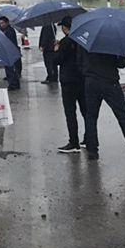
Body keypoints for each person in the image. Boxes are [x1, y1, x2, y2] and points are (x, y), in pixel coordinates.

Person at [79, 47, 125, 162]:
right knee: (123, 117)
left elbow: (79, 61)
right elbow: (121, 64)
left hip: (91, 82)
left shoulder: (86, 41)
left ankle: (92, 151)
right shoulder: (113, 41)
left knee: (91, 117)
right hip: (110, 82)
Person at [53, 16, 86, 153]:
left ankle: (74, 142)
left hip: (68, 82)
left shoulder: (65, 42)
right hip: (82, 80)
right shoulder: (83, 40)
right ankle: (89, 138)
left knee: (70, 113)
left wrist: (56, 49)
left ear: (65, 27)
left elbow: (57, 61)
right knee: (86, 112)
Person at [0, 16, 21, 90]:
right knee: (10, 69)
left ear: (7, 22)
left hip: (10, 52)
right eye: (0, 23)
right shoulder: (5, 30)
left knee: (11, 69)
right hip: (8, 52)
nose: (1, 25)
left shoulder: (9, 31)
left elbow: (8, 42)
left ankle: (13, 84)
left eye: (2, 23)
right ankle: (14, 83)